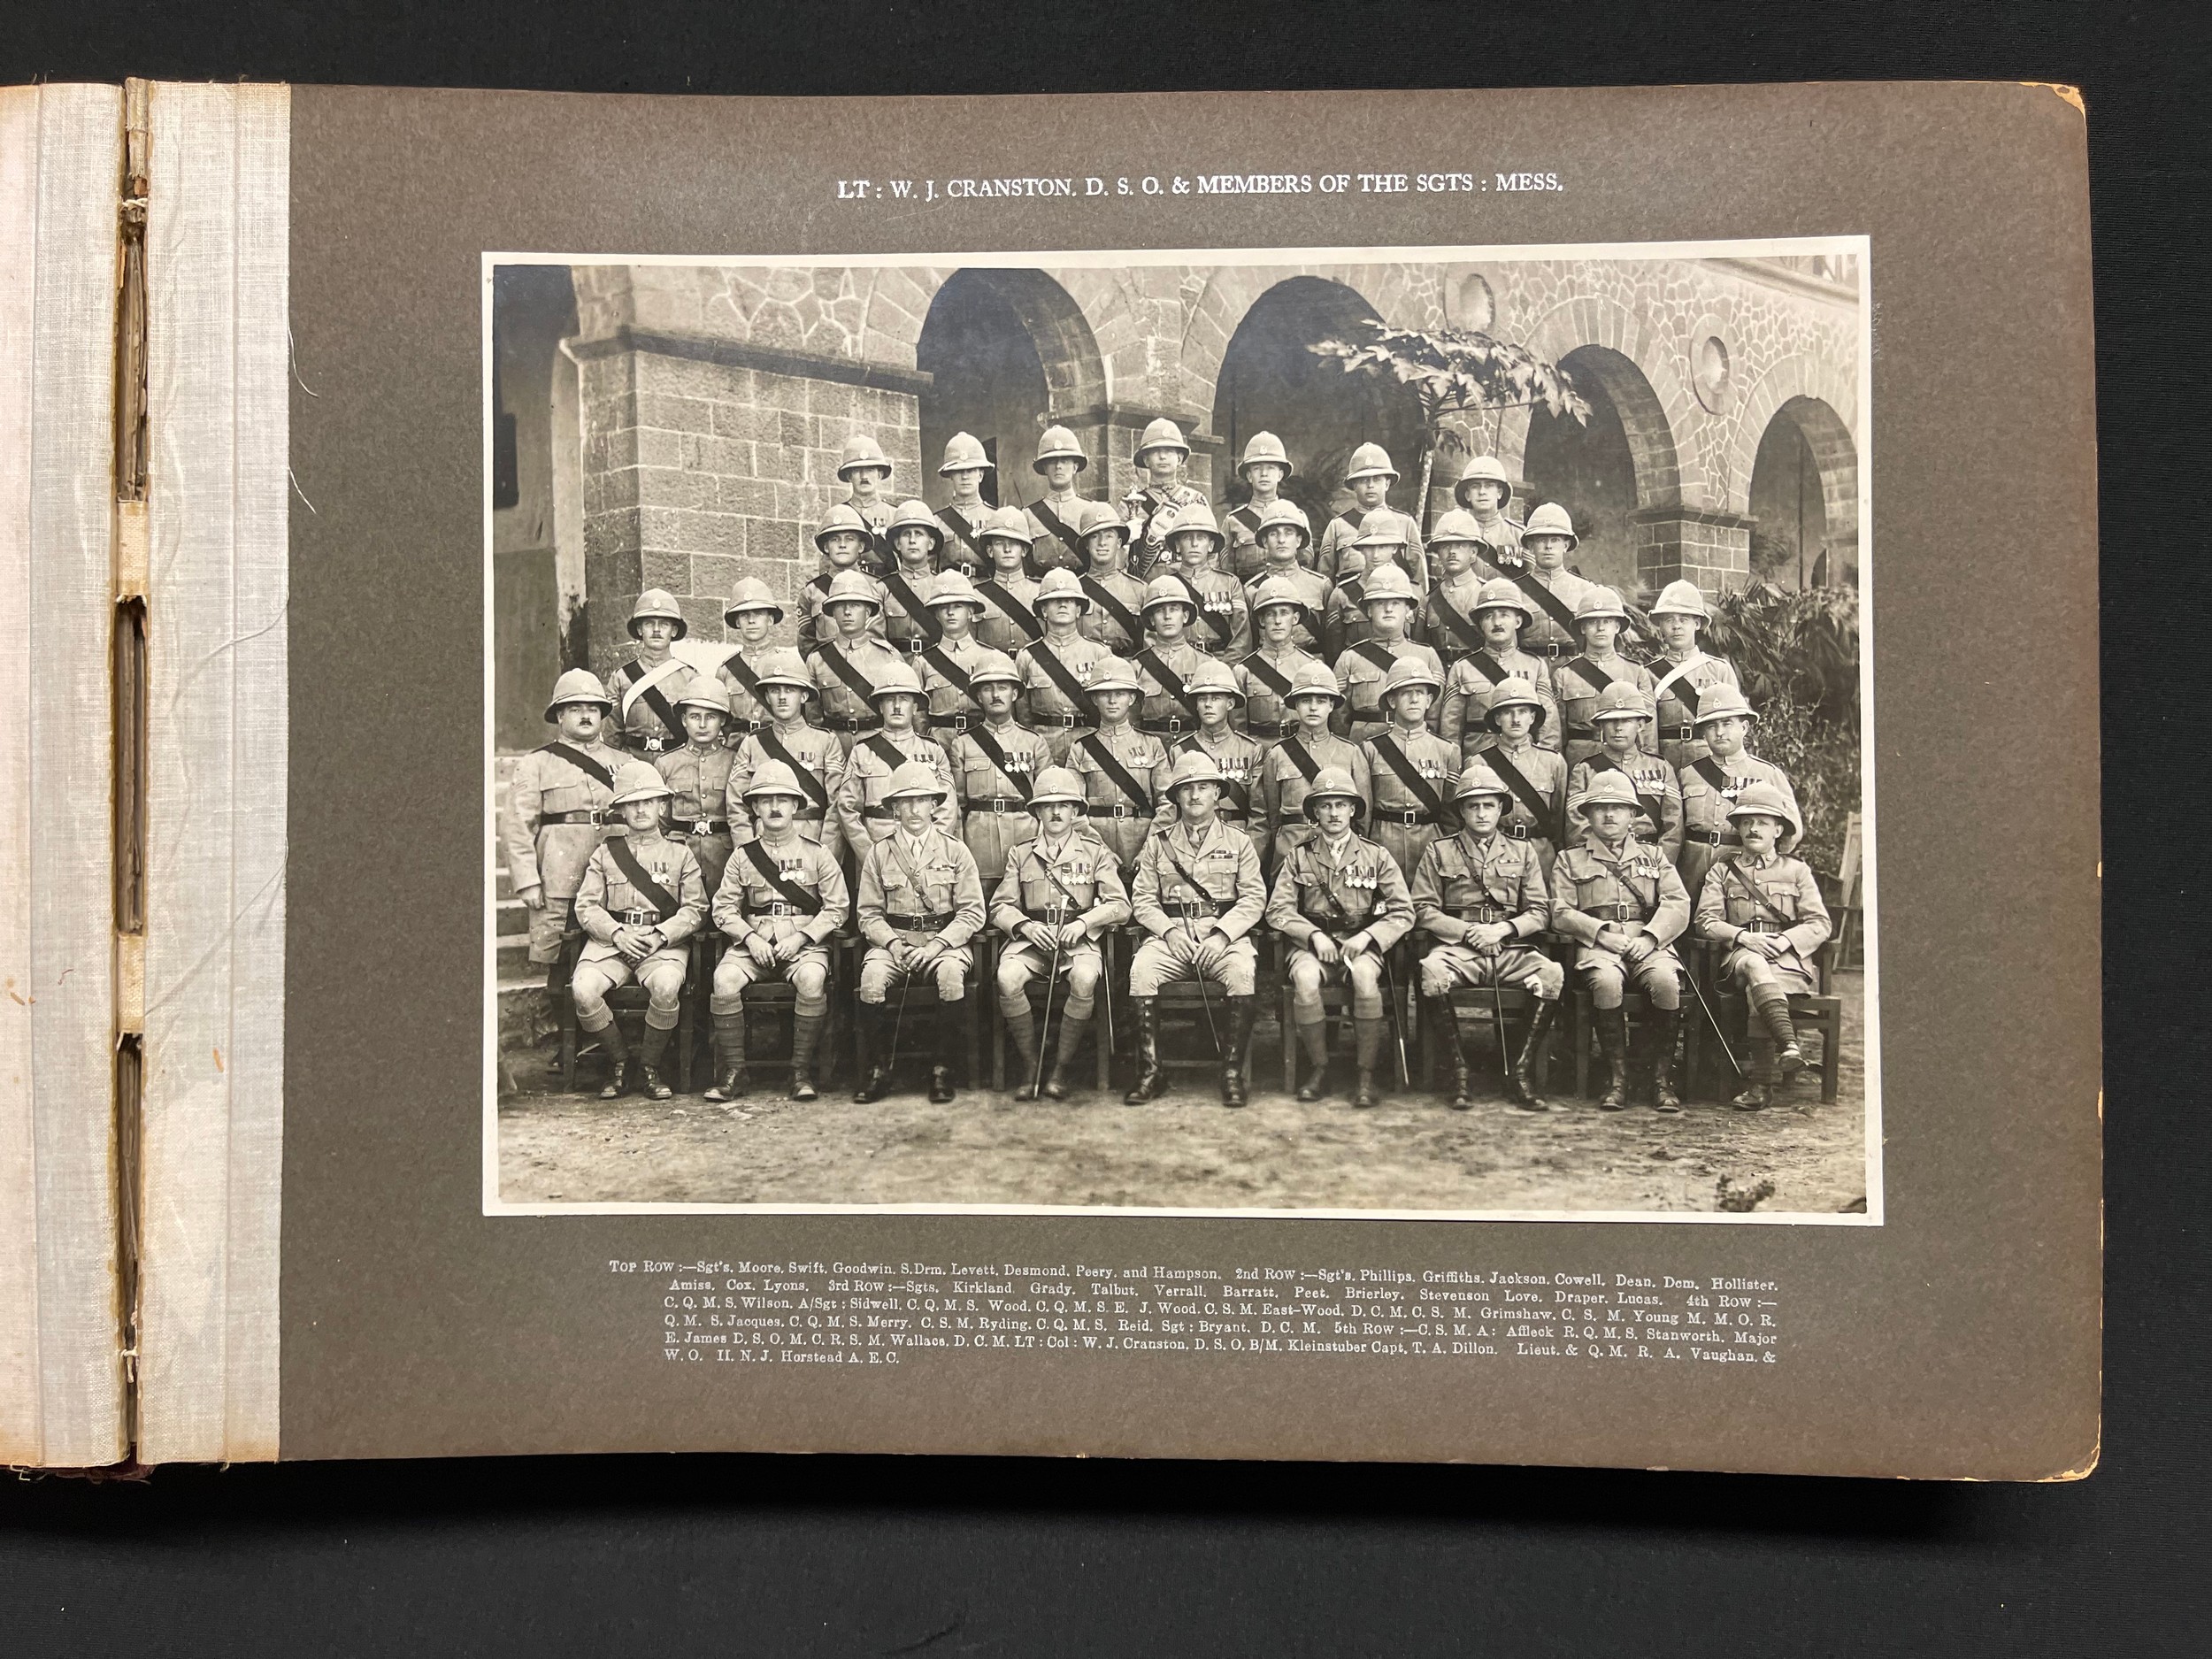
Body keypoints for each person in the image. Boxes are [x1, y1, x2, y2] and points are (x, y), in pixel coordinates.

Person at [1412, 760, 1567, 1112]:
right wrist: (1468, 932)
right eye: (1473, 805)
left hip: (1509, 947)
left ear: (1501, 809)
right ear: (1462, 810)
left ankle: (1521, 1072)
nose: (1481, 813)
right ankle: (1459, 1071)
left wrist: (1504, 929)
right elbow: (1423, 908)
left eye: (1489, 805)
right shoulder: (1440, 850)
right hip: (1459, 949)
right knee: (1432, 973)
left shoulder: (1523, 851)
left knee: (1552, 974)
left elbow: (1540, 911)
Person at [1125, 751, 1269, 1106]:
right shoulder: (1159, 843)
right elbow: (1142, 898)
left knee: (1242, 972)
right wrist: (1169, 933)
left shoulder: (1239, 842)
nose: (1194, 796)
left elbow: (1253, 898)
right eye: (1186, 789)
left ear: (1217, 794)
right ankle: (1151, 1072)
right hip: (1171, 935)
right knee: (1141, 971)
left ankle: (1232, 1072)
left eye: (1203, 787)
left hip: (1223, 937)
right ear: (1175, 797)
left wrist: (1222, 936)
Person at [1266, 766, 1416, 1107]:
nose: (1334, 813)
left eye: (1341, 805)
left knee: (1364, 976)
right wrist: (1313, 935)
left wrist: (1368, 938)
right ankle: (1320, 1067)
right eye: (1326, 805)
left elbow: (1404, 911)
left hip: (1359, 943)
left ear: (1353, 810)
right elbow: (1278, 911)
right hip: (1312, 946)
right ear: (1315, 812)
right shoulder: (1299, 856)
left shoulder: (1376, 855)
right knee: (1304, 979)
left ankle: (1365, 1073)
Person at [703, 759, 850, 1103]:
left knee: (812, 979)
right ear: (754, 806)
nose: (773, 807)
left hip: (803, 946)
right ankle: (735, 1071)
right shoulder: (742, 857)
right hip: (751, 945)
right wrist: (750, 938)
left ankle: (800, 1071)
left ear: (796, 806)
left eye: (782, 799)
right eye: (765, 800)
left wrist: (802, 938)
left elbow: (838, 908)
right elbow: (723, 908)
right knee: (724, 980)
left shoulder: (818, 854)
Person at [1552, 772, 1691, 1112]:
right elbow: (1559, 910)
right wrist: (1600, 934)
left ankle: (1660, 1080)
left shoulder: (1654, 857)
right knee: (1606, 981)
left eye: (1618, 808)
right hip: (1599, 945)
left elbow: (1678, 903)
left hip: (1649, 942)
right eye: (1601, 808)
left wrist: (1651, 936)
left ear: (1632, 815)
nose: (1610, 815)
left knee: (1666, 982)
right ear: (1587, 815)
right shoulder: (1570, 859)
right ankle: (1618, 1079)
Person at [569, 762, 708, 1102]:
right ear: (621, 810)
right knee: (584, 990)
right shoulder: (605, 853)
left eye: (649, 801)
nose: (641, 809)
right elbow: (586, 906)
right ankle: (621, 1063)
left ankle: (649, 1066)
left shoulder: (680, 853)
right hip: (611, 944)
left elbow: (696, 908)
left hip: (660, 945)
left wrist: (660, 935)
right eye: (633, 803)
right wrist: (617, 934)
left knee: (665, 986)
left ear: (663, 806)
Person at [990, 768, 1133, 1100]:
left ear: (1075, 811)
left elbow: (1120, 905)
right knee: (1007, 977)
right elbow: (999, 907)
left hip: (1077, 941)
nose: (1056, 812)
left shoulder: (1095, 851)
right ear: (1038, 811)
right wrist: (1026, 925)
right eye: (1048, 805)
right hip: (1031, 941)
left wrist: (1084, 923)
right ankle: (1031, 1065)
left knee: (1084, 977)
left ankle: (1061, 1069)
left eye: (1064, 805)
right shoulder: (1020, 852)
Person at [853, 761, 988, 1104]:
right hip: (893, 945)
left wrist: (937, 945)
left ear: (934, 804)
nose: (914, 809)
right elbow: (868, 914)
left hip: (943, 943)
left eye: (922, 800)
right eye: (905, 801)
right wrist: (894, 945)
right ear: (894, 808)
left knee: (951, 976)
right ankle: (877, 1071)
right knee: (871, 978)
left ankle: (943, 1070)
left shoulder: (956, 851)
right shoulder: (879, 853)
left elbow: (972, 912)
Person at [1694, 782, 1832, 1111]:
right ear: (1738, 828)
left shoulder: (1797, 871)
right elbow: (1705, 921)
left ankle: (1762, 1085)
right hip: (1739, 958)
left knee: (1763, 981)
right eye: (1746, 822)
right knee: (1756, 965)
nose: (1753, 828)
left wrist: (1786, 940)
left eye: (1763, 822)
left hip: (1787, 961)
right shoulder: (1723, 870)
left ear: (1778, 829)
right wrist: (1743, 938)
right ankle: (1789, 1047)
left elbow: (1820, 923)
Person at [502, 668, 623, 979]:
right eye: (575, 709)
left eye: (592, 709)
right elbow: (517, 826)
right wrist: (527, 881)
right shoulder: (536, 763)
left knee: (614, 957)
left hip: (617, 876)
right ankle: (551, 1027)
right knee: (554, 963)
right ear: (559, 716)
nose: (586, 716)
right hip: (559, 878)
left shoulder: (626, 764)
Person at [1676, 683, 1801, 903]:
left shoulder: (1767, 774)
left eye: (1727, 723)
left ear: (1744, 727)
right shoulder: (1689, 774)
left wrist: (1763, 866)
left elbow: (1791, 832)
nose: (1720, 732)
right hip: (1693, 870)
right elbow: (1675, 830)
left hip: (1744, 874)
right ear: (1703, 732)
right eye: (1711, 726)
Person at [835, 659, 958, 864]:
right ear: (881, 707)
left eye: (904, 699)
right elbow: (847, 810)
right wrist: (871, 855)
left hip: (926, 854)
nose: (897, 706)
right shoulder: (862, 751)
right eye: (890, 700)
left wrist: (929, 851)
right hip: (877, 848)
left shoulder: (932, 751)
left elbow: (948, 807)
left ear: (915, 706)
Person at [947, 650, 1053, 887]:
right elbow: (957, 806)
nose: (996, 695)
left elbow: (1049, 802)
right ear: (979, 696)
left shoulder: (1034, 742)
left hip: (1026, 840)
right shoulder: (963, 743)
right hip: (979, 844)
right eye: (987, 689)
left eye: (1003, 687)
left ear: (1015, 694)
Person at [726, 649, 845, 849]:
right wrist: (749, 854)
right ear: (767, 696)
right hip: (764, 843)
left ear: (804, 696)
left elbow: (837, 806)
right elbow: (736, 805)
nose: (782, 697)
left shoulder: (826, 741)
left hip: (811, 840)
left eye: (790, 690)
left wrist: (825, 856)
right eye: (775, 690)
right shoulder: (752, 743)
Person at [1258, 662, 1373, 868]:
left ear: (1331, 706)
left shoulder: (1351, 753)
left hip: (1339, 851)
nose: (1313, 707)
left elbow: (1362, 818)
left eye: (1321, 701)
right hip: (1291, 849)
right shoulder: (1278, 754)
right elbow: (1273, 815)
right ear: (1295, 705)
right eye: (1305, 700)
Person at [1360, 657, 1462, 880]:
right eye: (1406, 692)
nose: (1414, 699)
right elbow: (1364, 812)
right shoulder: (1371, 749)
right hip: (1383, 843)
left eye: (1420, 692)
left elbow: (1451, 814)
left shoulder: (1447, 750)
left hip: (1430, 843)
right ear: (1392, 700)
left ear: (1429, 700)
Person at [1438, 577, 1560, 760]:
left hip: (1526, 763)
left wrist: (1543, 762)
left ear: (1518, 622)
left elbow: (1548, 725)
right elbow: (1451, 727)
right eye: (1489, 616)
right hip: (1478, 761)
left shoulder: (1535, 666)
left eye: (1504, 614)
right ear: (1480, 625)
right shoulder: (1463, 668)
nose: (1496, 622)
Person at [1069, 659, 1168, 876]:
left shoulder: (1152, 745)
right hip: (1096, 844)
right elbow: (1073, 809)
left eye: (1120, 694)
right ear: (1095, 699)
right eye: (1104, 694)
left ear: (1132, 698)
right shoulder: (1081, 749)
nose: (1112, 700)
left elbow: (1167, 804)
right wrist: (1099, 850)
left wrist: (1150, 849)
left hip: (1143, 842)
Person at [1567, 683, 1683, 867]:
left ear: (1640, 724)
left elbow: (1673, 827)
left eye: (1626, 720)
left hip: (1650, 862)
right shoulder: (1585, 770)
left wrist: (1659, 866)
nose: (1618, 728)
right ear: (1601, 726)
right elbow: (1578, 827)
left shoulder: (1661, 768)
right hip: (1600, 863)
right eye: (1611, 721)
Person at [1168, 657, 1269, 867]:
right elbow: (1172, 812)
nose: (1208, 705)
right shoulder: (1179, 751)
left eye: (1216, 698)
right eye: (1202, 698)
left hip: (1238, 844)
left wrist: (1246, 859)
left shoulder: (1251, 750)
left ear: (1230, 703)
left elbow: (1259, 817)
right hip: (1190, 847)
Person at [1332, 565, 1444, 746]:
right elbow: (1339, 718)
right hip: (1363, 745)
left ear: (1408, 610)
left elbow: (1434, 716)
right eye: (1380, 603)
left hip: (1414, 744)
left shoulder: (1427, 656)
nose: (1388, 609)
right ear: (1369, 610)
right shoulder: (1350, 658)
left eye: (1396, 603)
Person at [1469, 677, 1568, 879]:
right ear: (1497, 719)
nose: (1516, 720)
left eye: (1522, 712)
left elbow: (1559, 818)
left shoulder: (1553, 762)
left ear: (1532, 718)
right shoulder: (1480, 762)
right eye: (1507, 712)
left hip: (1541, 854)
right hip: (1494, 854)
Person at [1014, 567, 1114, 765]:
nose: (1062, 605)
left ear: (1078, 610)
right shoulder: (1027, 657)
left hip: (1089, 745)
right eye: (1054, 601)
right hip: (1043, 746)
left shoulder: (1100, 654)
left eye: (1068, 600)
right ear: (1043, 610)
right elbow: (1021, 712)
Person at [1554, 586, 1658, 766]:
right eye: (1593, 622)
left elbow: (1647, 732)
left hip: (1626, 760)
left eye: (1607, 621)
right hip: (1581, 760)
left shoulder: (1636, 672)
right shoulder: (1565, 675)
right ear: (1583, 628)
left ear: (1617, 627)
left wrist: (1647, 765)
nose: (1600, 628)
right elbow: (1558, 734)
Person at [654, 675, 738, 896]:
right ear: (683, 720)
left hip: (724, 859)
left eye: (710, 717)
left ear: (722, 721)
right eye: (694, 716)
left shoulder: (736, 761)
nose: (702, 724)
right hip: (679, 857)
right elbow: (659, 823)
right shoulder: (666, 763)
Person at [1646, 579, 1742, 769]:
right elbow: (1647, 735)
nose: (1676, 626)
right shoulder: (1648, 674)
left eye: (1684, 619)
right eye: (1669, 620)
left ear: (1697, 624)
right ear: (1661, 626)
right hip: (1666, 765)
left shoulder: (1719, 670)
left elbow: (1734, 726)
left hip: (1709, 764)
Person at [807, 569, 907, 751]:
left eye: (855, 605)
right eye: (840, 606)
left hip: (879, 745)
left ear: (868, 611)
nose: (847, 612)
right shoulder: (817, 659)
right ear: (832, 613)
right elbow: (812, 717)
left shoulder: (889, 656)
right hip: (833, 746)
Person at [1315, 443, 1426, 588]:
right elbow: (1326, 578)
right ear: (1354, 485)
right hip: (1352, 605)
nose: (1370, 485)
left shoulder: (1405, 523)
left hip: (1392, 605)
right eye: (1363, 480)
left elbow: (1419, 579)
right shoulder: (1338, 526)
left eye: (1377, 479)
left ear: (1387, 484)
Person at [1238, 575, 1329, 750]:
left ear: (1295, 619)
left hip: (1302, 751)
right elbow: (1239, 731)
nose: (1277, 621)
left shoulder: (1312, 668)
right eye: (1270, 614)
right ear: (1262, 621)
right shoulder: (1244, 671)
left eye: (1284, 613)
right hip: (1260, 753)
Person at [1504, 503, 1601, 664]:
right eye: (1541, 540)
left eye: (1555, 540)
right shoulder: (1515, 590)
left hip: (1574, 672)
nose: (1548, 546)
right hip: (1530, 671)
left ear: (1566, 545)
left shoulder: (1586, 590)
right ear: (1530, 546)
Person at [1322, 515, 1425, 661]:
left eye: (1382, 547)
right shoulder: (1342, 594)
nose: (1375, 555)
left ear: (1394, 548)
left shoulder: (1413, 592)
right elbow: (1333, 653)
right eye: (1369, 547)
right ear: (1361, 549)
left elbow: (1420, 646)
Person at [605, 588, 693, 757]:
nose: (657, 630)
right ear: (640, 630)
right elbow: (612, 736)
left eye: (664, 624)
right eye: (649, 624)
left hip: (676, 765)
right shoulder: (621, 678)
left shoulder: (690, 678)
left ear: (673, 631)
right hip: (634, 763)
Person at [1159, 503, 1251, 659]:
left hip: (1220, 663)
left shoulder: (1230, 583)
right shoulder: (1165, 585)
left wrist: (1226, 671)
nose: (1194, 544)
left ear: (1211, 545)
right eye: (1188, 538)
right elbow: (1154, 639)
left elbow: (1241, 639)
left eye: (1201, 538)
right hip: (1178, 664)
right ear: (1177, 545)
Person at [1120, 416, 1208, 580]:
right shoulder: (1131, 503)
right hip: (1146, 581)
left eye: (1169, 451)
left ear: (1180, 459)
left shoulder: (1196, 500)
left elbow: (1212, 552)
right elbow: (1117, 552)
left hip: (1188, 580)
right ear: (1146, 460)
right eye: (1156, 451)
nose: (1162, 456)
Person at [1239, 499, 1329, 657]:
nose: (1281, 540)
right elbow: (1248, 644)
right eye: (1274, 534)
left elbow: (1331, 640)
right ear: (1265, 542)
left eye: (1288, 533)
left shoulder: (1321, 585)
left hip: (1312, 670)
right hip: (1269, 670)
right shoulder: (1252, 590)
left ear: (1299, 540)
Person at [1131, 573, 1213, 745]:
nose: (1167, 616)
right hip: (1151, 747)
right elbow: (1132, 720)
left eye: (1174, 609)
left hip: (1194, 746)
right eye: (1160, 611)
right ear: (1152, 620)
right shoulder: (1138, 666)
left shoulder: (1205, 663)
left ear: (1185, 616)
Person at [798, 504, 890, 656]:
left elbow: (888, 640)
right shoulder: (812, 591)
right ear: (826, 547)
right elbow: (806, 644)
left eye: (849, 539)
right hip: (829, 671)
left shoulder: (878, 587)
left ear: (860, 546)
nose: (842, 545)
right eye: (835, 539)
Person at [916, 570, 995, 741]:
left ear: (970, 612)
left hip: (980, 741)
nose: (950, 612)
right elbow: (919, 716)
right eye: (944, 607)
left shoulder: (988, 657)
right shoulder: (924, 662)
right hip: (939, 741)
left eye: (958, 606)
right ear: (936, 614)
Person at [1071, 498, 1148, 657]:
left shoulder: (1139, 590)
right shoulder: (1074, 589)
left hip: (1126, 670)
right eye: (1094, 537)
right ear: (1086, 544)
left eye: (1109, 536)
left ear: (1119, 543)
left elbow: (1147, 647)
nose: (1102, 543)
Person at [1417, 508, 1492, 668]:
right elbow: (1420, 647)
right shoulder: (1429, 599)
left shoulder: (1485, 593)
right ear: (1438, 553)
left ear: (1473, 553)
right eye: (1445, 546)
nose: (1452, 552)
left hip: (1476, 675)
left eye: (1460, 546)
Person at [717, 578, 788, 739]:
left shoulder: (787, 664)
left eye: (757, 614)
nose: (751, 620)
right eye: (744, 615)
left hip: (777, 746)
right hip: (737, 748)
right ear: (737, 622)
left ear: (770, 619)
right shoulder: (726, 670)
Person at [879, 499, 949, 658]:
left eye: (918, 534)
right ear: (897, 544)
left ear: (930, 543)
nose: (912, 540)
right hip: (895, 668)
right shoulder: (883, 589)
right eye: (906, 534)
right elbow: (876, 640)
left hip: (937, 667)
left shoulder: (941, 586)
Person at [1221, 430, 1294, 582]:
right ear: (1249, 476)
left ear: (1280, 475)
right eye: (1257, 468)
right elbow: (1225, 573)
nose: (1264, 474)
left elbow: (1305, 566)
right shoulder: (1233, 521)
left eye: (1271, 468)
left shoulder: (1295, 517)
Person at [972, 506, 1045, 656]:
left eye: (1014, 543)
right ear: (990, 551)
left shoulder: (1041, 592)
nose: (1007, 549)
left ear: (1024, 551)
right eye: (1000, 543)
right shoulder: (977, 596)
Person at [1021, 424, 1093, 573]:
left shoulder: (1090, 510)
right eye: (1052, 461)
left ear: (1075, 467)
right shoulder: (1029, 515)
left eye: (1065, 461)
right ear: (1045, 468)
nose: (1058, 466)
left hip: (1081, 589)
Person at [833, 432, 898, 573]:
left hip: (887, 589)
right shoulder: (839, 515)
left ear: (880, 474)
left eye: (869, 470)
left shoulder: (895, 515)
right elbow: (828, 565)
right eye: (857, 471)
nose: (864, 477)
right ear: (849, 476)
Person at [933, 431, 996, 575]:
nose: (965, 476)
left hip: (986, 593)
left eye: (971, 470)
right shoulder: (937, 522)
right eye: (959, 471)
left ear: (980, 475)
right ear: (951, 476)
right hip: (950, 592)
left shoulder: (995, 518)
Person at [1449, 454, 1525, 574]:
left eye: (1489, 486)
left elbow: (1531, 586)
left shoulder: (1518, 535)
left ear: (1499, 493)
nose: (1482, 492)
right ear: (1467, 495)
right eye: (1475, 486)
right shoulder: (1457, 534)